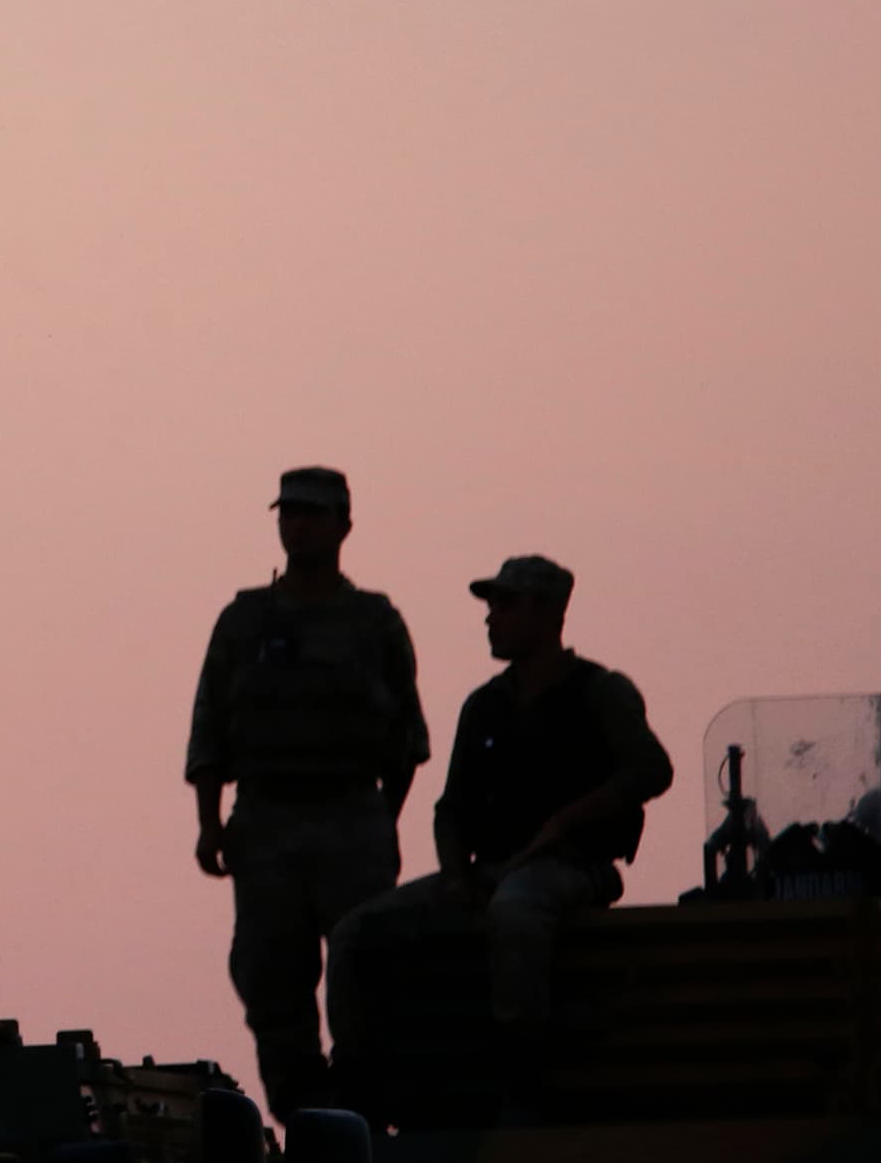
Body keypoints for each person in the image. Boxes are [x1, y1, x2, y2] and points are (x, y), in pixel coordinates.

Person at [328, 554, 673, 1059]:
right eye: (492, 605)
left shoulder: (598, 692)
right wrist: (454, 876)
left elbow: (652, 769)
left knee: (517, 912)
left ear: (550, 613)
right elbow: (451, 809)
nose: (492, 617)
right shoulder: (485, 705)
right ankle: (360, 1073)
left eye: (507, 605)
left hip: (573, 866)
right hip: (488, 871)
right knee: (354, 932)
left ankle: (520, 1066)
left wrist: (571, 819)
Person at [184, 467, 430, 1116]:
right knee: (272, 986)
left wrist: (379, 820)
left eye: (313, 513)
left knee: (366, 980)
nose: (299, 524)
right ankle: (305, 1123)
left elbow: (406, 741)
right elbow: (209, 730)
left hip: (351, 818)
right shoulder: (245, 622)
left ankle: (365, 1122)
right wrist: (210, 824)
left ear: (344, 525)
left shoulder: (374, 623)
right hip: (265, 821)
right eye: (289, 513)